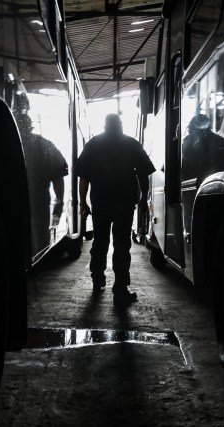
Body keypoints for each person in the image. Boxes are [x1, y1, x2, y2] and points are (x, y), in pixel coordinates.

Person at [76, 114, 156, 304]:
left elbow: (83, 177)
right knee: (121, 244)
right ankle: (120, 289)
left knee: (100, 241)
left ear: (105, 126)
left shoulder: (93, 144)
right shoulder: (131, 144)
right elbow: (144, 175)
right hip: (124, 202)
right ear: (120, 125)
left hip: (100, 201)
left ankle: (97, 279)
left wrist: (83, 202)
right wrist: (144, 198)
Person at [16, 113, 68, 255]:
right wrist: (59, 203)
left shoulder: (5, 144)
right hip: (39, 203)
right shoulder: (44, 144)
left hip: (13, 202)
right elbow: (58, 176)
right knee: (39, 240)